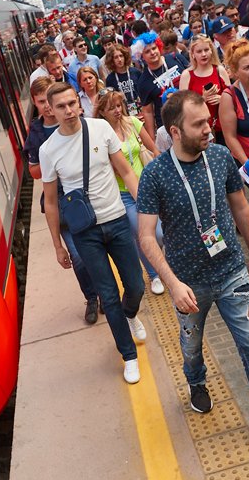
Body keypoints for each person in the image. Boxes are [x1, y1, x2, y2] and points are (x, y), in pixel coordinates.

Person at [137, 91, 249, 444]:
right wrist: (172, 283)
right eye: (198, 123)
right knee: (191, 346)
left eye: (208, 120)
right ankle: (196, 380)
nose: (208, 128)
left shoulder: (219, 157)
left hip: (232, 271)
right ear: (175, 131)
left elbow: (241, 208)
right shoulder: (155, 175)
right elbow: (146, 237)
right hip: (188, 283)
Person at [39, 83, 150, 384]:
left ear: (79, 102)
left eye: (73, 103)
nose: (69, 110)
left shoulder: (100, 128)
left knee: (136, 286)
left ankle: (131, 313)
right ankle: (128, 355)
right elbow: (50, 202)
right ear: (50, 109)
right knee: (109, 296)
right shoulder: (48, 150)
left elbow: (126, 171)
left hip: (116, 221)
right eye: (61, 106)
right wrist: (57, 245)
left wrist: (144, 209)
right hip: (85, 232)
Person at [25, 77, 101, 325]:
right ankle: (91, 297)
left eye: (50, 99)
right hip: (63, 203)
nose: (48, 106)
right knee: (78, 257)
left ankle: (105, 291)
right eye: (41, 102)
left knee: (100, 250)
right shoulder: (37, 135)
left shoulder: (80, 124)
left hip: (89, 193)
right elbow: (34, 172)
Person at [95, 90, 166, 295]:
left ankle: (161, 265)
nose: (117, 111)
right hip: (123, 193)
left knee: (160, 235)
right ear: (102, 112)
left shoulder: (133, 122)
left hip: (147, 186)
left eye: (119, 105)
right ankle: (154, 275)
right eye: (111, 108)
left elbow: (154, 150)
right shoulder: (101, 136)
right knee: (142, 233)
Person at [179, 35, 234, 147]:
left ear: (211, 51)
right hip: (199, 130)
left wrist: (223, 99)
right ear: (193, 54)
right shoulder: (187, 75)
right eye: (199, 51)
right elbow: (182, 107)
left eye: (206, 50)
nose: (203, 54)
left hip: (223, 128)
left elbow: (233, 97)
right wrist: (202, 99)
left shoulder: (220, 70)